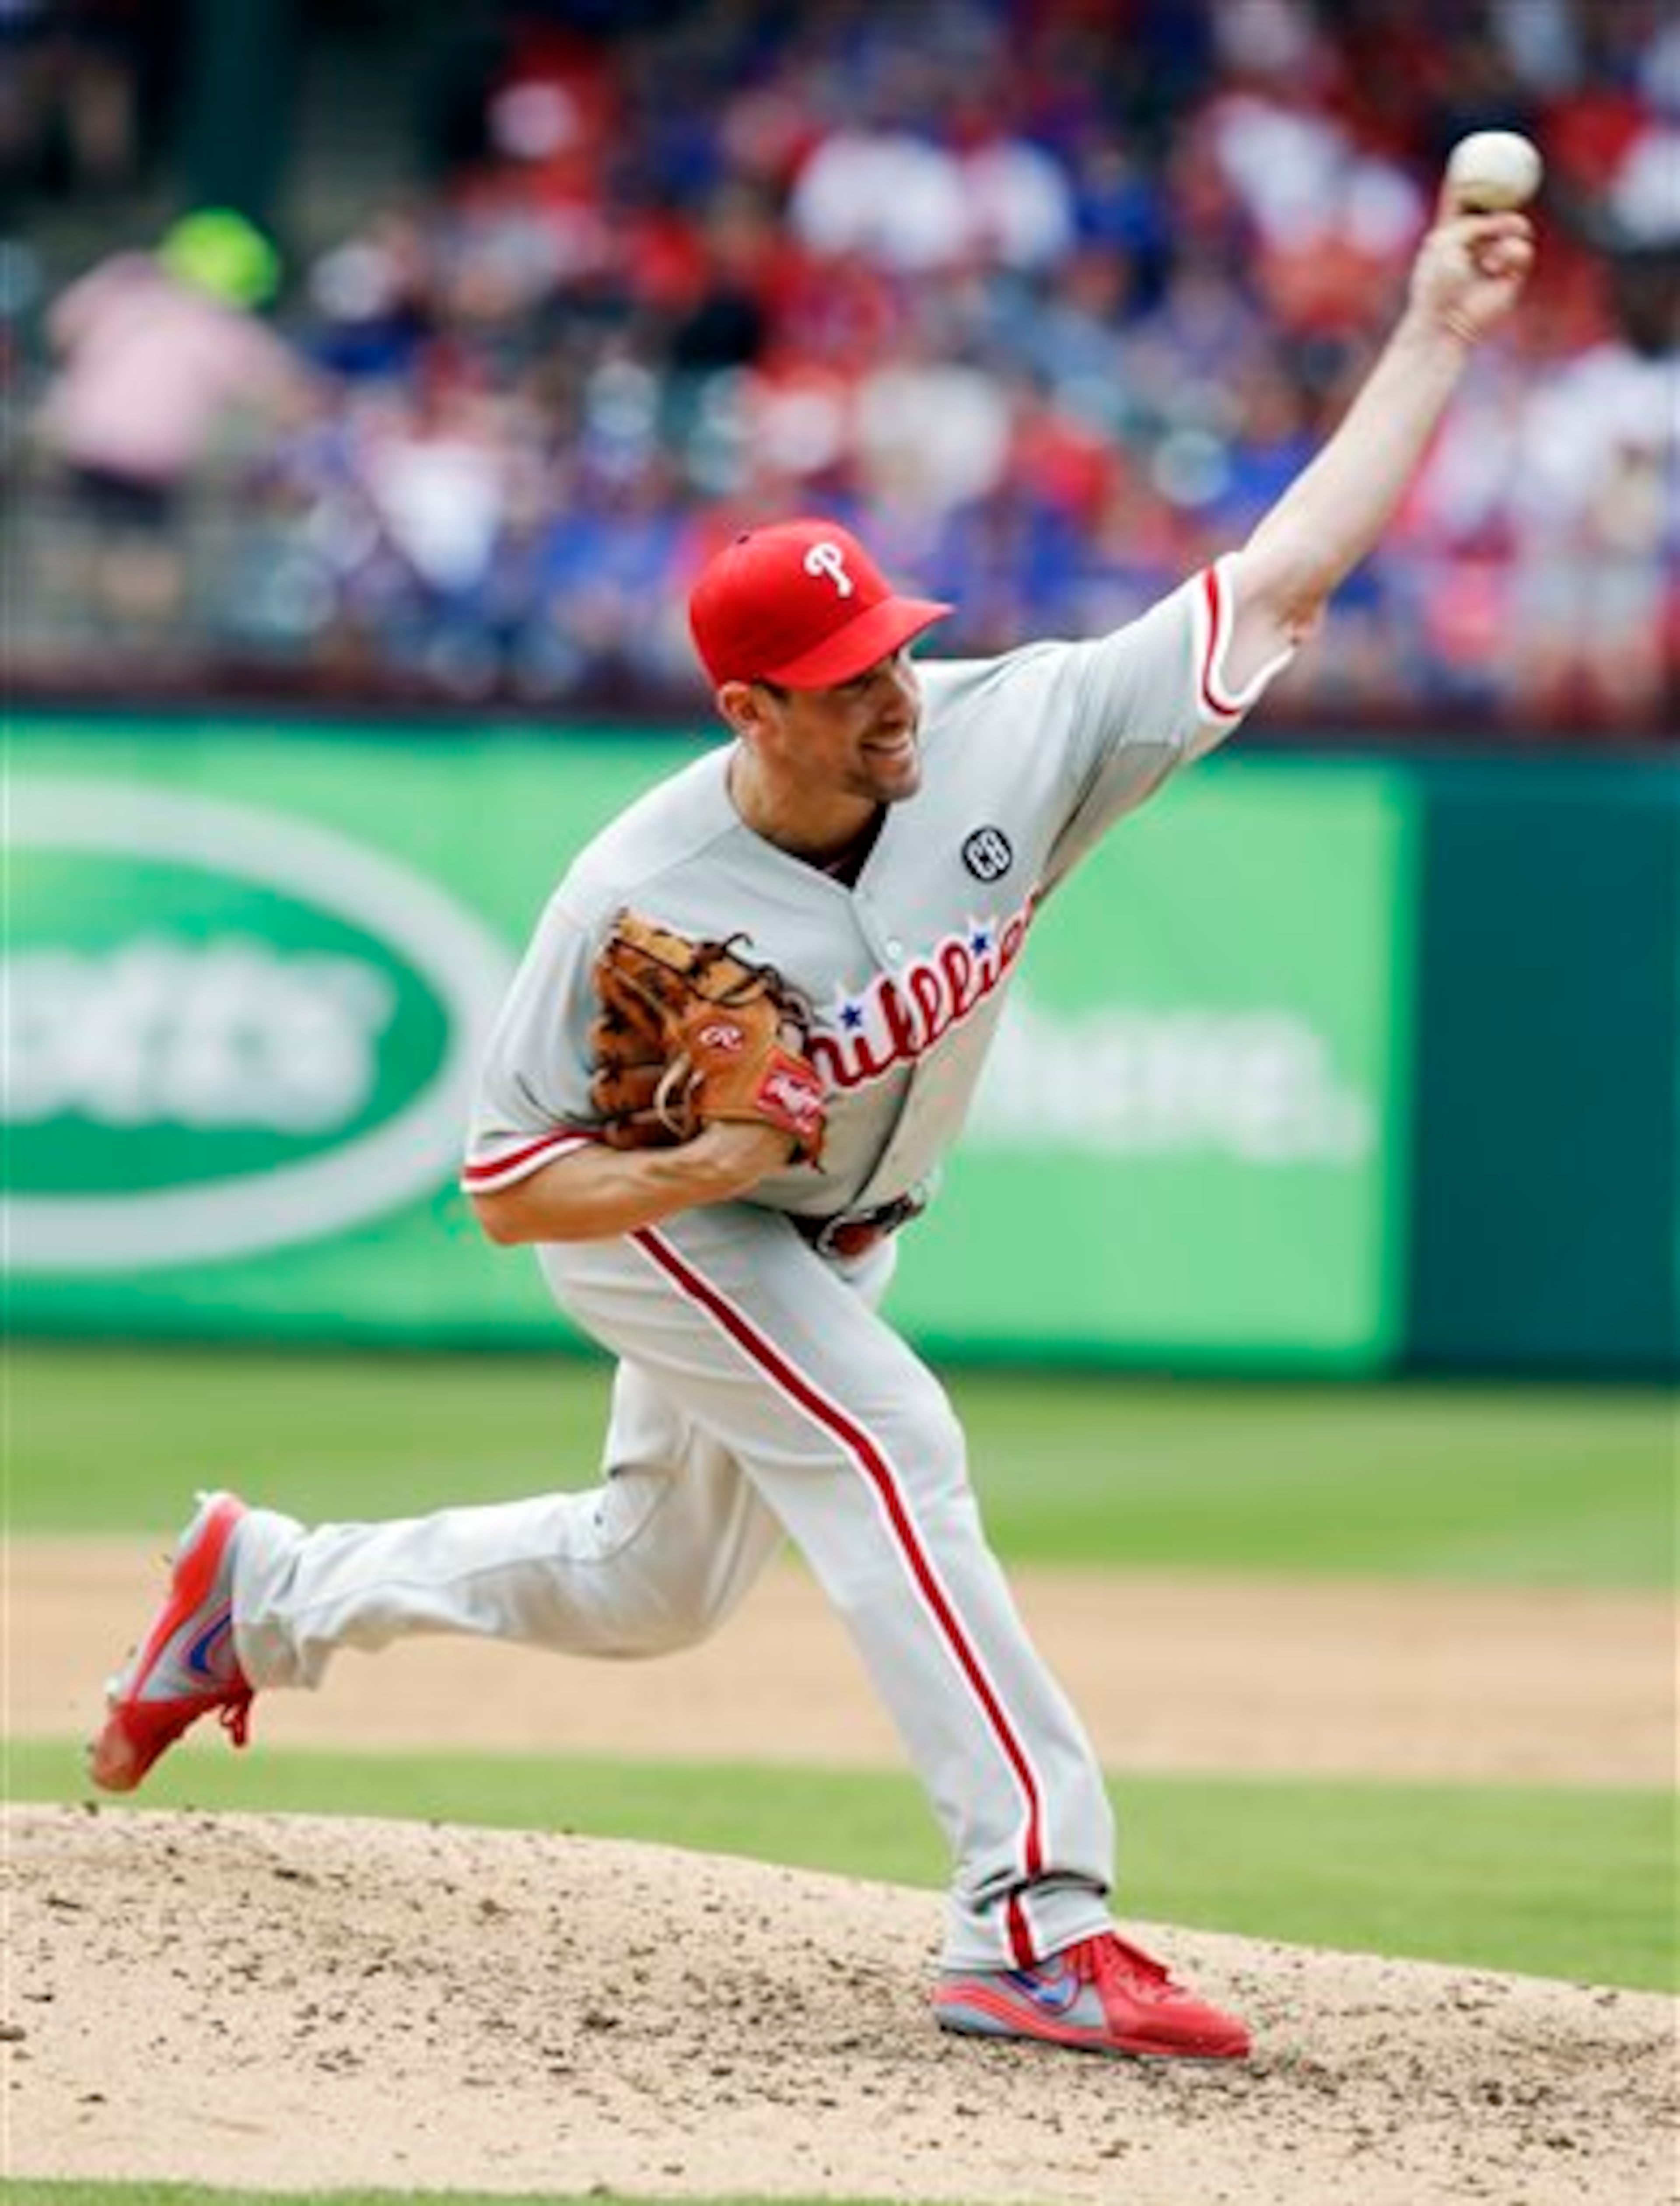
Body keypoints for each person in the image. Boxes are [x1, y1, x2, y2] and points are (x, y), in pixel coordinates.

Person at [90, 175, 1535, 2062]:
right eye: (851, 687)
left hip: (842, 1223)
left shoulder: (1011, 728)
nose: (898, 699)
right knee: (893, 1434)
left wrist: (1435, 326)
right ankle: (1031, 1918)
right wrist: (698, 1165)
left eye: (900, 653)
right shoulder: (638, 897)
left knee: (650, 1587)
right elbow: (509, 1191)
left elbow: (1282, 581)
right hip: (670, 1226)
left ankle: (264, 1589)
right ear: (751, 705)